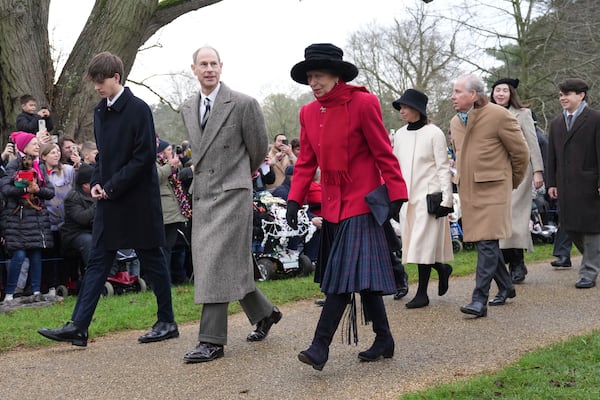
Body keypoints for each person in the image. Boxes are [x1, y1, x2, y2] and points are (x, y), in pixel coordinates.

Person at [38, 51, 177, 347]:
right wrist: (98, 181)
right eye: (94, 83)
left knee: (153, 258)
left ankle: (167, 320)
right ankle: (78, 326)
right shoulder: (100, 111)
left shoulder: (139, 109)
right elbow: (103, 156)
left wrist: (111, 186)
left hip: (138, 200)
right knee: (98, 261)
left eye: (101, 82)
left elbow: (144, 158)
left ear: (116, 77)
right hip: (110, 201)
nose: (96, 88)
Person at [286, 43, 408, 371]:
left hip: (362, 203)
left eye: (319, 75)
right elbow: (307, 161)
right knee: (360, 276)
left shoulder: (364, 103)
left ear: (336, 75)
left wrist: (397, 192)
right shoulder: (308, 113)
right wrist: (295, 198)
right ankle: (384, 338)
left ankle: (319, 346)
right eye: (310, 77)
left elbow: (384, 151)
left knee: (340, 275)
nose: (314, 82)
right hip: (332, 207)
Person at [179, 45, 282, 363]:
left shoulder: (243, 103)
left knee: (213, 263)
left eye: (214, 63)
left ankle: (211, 340)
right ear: (193, 69)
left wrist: (237, 175)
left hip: (233, 194)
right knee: (226, 265)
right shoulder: (186, 106)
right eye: (203, 64)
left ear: (221, 67)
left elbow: (258, 148)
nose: (209, 69)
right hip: (203, 195)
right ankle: (264, 313)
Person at [450, 73, 529, 318]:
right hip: (469, 190)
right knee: (485, 241)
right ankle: (506, 286)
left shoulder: (499, 116)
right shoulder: (455, 121)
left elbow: (521, 154)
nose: (453, 97)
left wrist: (510, 183)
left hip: (494, 189)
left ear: (473, 94)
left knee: (487, 242)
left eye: (457, 92)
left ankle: (478, 299)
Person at [391, 88, 454, 309]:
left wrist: (447, 199)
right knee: (413, 245)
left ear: (418, 109)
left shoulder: (434, 133)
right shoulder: (399, 134)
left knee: (422, 244)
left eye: (406, 106)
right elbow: (395, 167)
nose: (402, 110)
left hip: (429, 196)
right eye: (400, 107)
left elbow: (443, 166)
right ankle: (441, 268)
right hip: (407, 198)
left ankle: (422, 293)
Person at [490, 78, 545, 287]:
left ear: (511, 93)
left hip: (519, 171)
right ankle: (508, 261)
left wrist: (538, 171)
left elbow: (532, 142)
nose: (501, 94)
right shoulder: (486, 113)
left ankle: (517, 263)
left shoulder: (523, 114)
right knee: (499, 218)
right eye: (497, 90)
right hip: (495, 172)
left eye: (505, 90)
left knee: (513, 215)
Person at [547, 78, 600, 289]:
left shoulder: (595, 118)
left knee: (591, 229)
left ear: (581, 95)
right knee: (570, 227)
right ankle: (593, 259)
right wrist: (552, 182)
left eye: (567, 94)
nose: (563, 98)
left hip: (589, 182)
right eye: (561, 94)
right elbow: (552, 156)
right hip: (565, 185)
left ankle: (588, 272)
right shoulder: (557, 123)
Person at [1, 132, 54, 303]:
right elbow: (6, 190)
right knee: (19, 255)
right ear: (24, 147)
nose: (37, 146)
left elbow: (50, 192)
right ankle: (10, 293)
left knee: (36, 254)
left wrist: (38, 191)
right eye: (34, 144)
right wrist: (24, 190)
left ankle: (36, 291)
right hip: (18, 219)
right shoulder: (12, 166)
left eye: (38, 144)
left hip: (37, 218)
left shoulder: (40, 167)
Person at [40, 142, 76, 295]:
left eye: (57, 151)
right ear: (44, 156)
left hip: (66, 220)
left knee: (69, 253)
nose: (56, 154)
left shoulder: (68, 171)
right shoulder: (40, 174)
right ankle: (53, 286)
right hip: (48, 221)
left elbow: (75, 190)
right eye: (52, 152)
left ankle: (70, 282)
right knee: (51, 255)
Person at [155, 139, 191, 285]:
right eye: (169, 150)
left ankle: (170, 279)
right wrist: (170, 166)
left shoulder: (166, 164)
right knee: (164, 249)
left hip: (172, 211)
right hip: (164, 211)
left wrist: (173, 166)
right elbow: (155, 177)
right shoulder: (155, 162)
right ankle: (164, 281)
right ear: (162, 152)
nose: (172, 152)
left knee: (170, 247)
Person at [60, 163, 96, 270]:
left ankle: (112, 274)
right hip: (75, 234)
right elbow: (82, 218)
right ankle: (93, 272)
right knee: (89, 241)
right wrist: (97, 204)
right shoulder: (73, 197)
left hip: (93, 230)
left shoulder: (94, 195)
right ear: (85, 185)